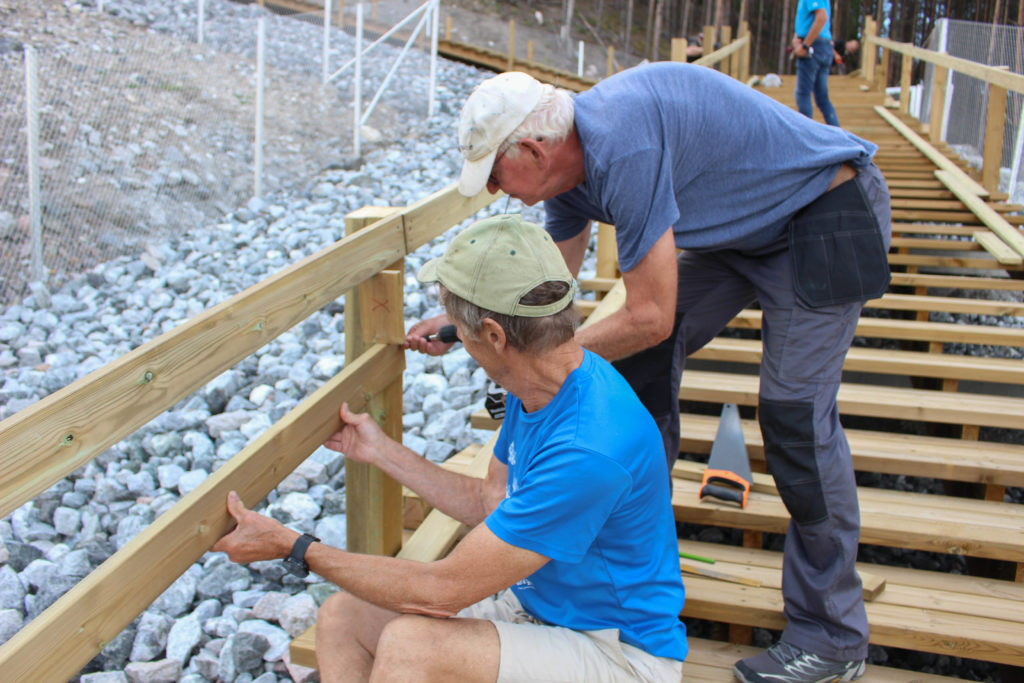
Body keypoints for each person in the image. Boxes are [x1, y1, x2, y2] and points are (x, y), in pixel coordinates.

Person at [408, 64, 892, 683]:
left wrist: (542, 358)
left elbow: (651, 315)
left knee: (794, 415)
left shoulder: (622, 147)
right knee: (634, 359)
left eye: (497, 175)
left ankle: (833, 635)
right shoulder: (568, 169)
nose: (498, 192)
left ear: (533, 148)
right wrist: (468, 320)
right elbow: (546, 291)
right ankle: (629, 550)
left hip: (824, 212)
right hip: (744, 232)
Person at [214, 213, 688, 682]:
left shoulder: (588, 448)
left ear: (495, 335)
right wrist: (380, 450)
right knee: (345, 616)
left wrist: (294, 547)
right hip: (535, 608)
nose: (455, 337)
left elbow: (440, 592)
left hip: (616, 651)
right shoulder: (541, 386)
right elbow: (488, 502)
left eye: (461, 328)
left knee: (412, 647)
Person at [791, 0, 840, 126]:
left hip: (814, 47)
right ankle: (839, 137)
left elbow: (821, 17)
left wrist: (806, 45)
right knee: (822, 98)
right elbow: (808, 21)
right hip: (823, 46)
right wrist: (797, 40)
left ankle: (806, 137)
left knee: (802, 94)